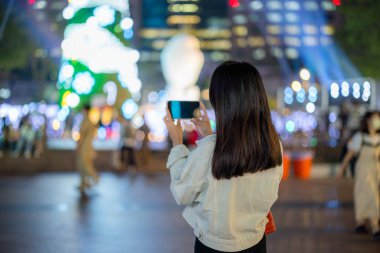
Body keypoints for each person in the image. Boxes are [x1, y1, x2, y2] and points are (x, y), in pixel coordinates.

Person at [163, 61, 283, 253]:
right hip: (255, 244)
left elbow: (181, 192)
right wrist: (209, 135)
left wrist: (177, 143)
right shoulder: (273, 145)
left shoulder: (209, 151)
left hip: (212, 247)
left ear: (223, 103)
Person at [337, 111, 380, 241]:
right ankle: (375, 226)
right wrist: (342, 169)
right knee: (369, 194)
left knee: (370, 194)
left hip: (376, 171)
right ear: (368, 121)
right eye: (375, 118)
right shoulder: (359, 137)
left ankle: (361, 222)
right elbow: (349, 155)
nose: (377, 121)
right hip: (363, 170)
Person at [76, 105, 99, 192]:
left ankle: (95, 178)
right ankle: (84, 182)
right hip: (88, 146)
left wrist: (78, 146)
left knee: (84, 164)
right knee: (84, 164)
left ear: (85, 111)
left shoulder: (85, 122)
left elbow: (82, 136)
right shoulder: (90, 122)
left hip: (84, 147)